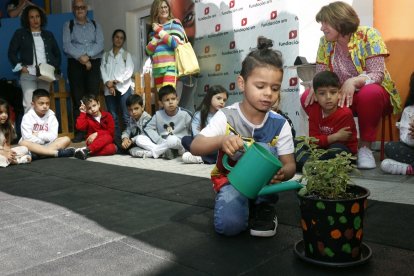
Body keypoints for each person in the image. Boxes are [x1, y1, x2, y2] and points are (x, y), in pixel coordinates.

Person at [190, 36, 296, 237]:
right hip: (232, 183)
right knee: (229, 227)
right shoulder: (226, 116)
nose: (268, 94)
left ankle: (263, 207)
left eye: (275, 88)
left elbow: (289, 164)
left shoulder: (280, 123)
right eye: (260, 86)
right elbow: (196, 146)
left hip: (264, 188)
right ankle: (236, 202)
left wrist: (284, 173)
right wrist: (221, 140)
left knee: (264, 150)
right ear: (241, 83)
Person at [303, 1, 401, 170]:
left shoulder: (369, 34)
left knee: (368, 93)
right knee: (308, 96)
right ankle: (330, 140)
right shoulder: (324, 42)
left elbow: (377, 74)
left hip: (373, 95)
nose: (322, 28)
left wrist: (354, 81)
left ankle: (364, 148)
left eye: (325, 23)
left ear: (339, 22)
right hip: (341, 96)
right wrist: (314, 84)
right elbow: (321, 74)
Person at [297, 71, 358, 172]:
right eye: (322, 93)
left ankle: (311, 165)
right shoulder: (314, 111)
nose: (328, 97)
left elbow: (341, 142)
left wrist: (325, 141)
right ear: (315, 96)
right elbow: (313, 140)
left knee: (336, 149)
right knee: (298, 143)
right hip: (321, 150)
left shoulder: (345, 113)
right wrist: (334, 137)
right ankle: (314, 166)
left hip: (344, 153)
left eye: (333, 92)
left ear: (339, 94)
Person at [63, 0, 104, 143]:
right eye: (77, 7)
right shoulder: (68, 25)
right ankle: (80, 132)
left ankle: (95, 129)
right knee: (78, 98)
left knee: (93, 98)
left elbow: (100, 44)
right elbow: (67, 46)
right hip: (75, 64)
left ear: (86, 9)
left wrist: (88, 57)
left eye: (82, 7)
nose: (80, 10)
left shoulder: (95, 25)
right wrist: (82, 58)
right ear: (73, 9)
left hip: (93, 62)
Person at [8, 5, 61, 113]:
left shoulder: (48, 34)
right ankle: (29, 130)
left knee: (43, 105)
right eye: (31, 17)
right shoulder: (20, 33)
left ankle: (42, 130)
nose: (35, 19)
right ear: (27, 20)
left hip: (45, 75)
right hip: (28, 74)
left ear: (41, 18)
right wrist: (21, 67)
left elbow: (57, 54)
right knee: (29, 105)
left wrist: (52, 68)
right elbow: (11, 53)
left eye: (37, 16)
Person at [134, 85, 192, 159]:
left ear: (177, 100)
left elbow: (193, 130)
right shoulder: (158, 115)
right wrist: (159, 140)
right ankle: (163, 152)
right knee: (140, 138)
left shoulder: (185, 114)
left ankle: (154, 152)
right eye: (167, 100)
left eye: (173, 99)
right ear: (161, 103)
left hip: (179, 144)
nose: (171, 102)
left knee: (171, 139)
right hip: (162, 143)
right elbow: (147, 128)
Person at [18, 89, 75, 159]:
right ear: (33, 104)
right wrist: (43, 140)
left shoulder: (52, 116)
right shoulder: (27, 117)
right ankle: (55, 153)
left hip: (48, 145)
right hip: (33, 145)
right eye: (41, 103)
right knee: (23, 143)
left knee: (66, 139)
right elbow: (27, 138)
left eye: (47, 103)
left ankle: (38, 154)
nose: (45, 106)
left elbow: (53, 136)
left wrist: (38, 134)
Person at [100, 29, 134, 142]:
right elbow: (102, 70)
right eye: (117, 37)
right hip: (108, 89)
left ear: (123, 41)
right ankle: (117, 140)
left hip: (123, 88)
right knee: (112, 116)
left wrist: (115, 82)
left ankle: (129, 139)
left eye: (121, 38)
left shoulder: (126, 55)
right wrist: (107, 83)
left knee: (126, 115)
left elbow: (129, 71)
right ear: (113, 38)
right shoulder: (105, 55)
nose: (118, 40)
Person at [181, 85, 228, 164]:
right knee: (186, 140)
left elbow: (225, 136)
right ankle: (212, 158)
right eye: (218, 98)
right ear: (209, 97)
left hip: (218, 146)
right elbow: (197, 138)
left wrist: (204, 132)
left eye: (224, 100)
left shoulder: (224, 115)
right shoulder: (198, 115)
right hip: (203, 145)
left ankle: (200, 158)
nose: (222, 102)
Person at [146, 0, 186, 91]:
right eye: (161, 7)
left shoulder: (175, 23)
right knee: (162, 99)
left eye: (165, 7)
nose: (164, 10)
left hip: (171, 66)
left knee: (168, 95)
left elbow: (175, 43)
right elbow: (148, 51)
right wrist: (156, 36)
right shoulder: (153, 30)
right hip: (157, 69)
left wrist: (160, 31)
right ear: (155, 10)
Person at [381, 72, 414, 175]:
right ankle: (410, 168)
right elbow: (404, 140)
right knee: (390, 147)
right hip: (411, 151)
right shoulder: (409, 111)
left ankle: (409, 169)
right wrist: (412, 136)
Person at [73, 94, 117, 160]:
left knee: (112, 148)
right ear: (86, 110)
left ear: (98, 104)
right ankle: (87, 150)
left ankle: (87, 151)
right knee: (108, 138)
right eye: (89, 108)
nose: (93, 109)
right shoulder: (87, 118)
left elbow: (111, 132)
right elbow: (79, 127)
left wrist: (97, 134)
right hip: (92, 141)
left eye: (94, 105)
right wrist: (82, 113)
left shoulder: (108, 115)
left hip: (106, 141)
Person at [0, 98, 31, 167]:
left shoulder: (7, 127)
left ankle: (10, 160)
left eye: (6, 112)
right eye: (1, 112)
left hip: (4, 151)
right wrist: (4, 153)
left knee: (24, 149)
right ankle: (18, 161)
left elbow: (7, 146)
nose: (4, 115)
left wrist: (9, 152)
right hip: (1, 153)